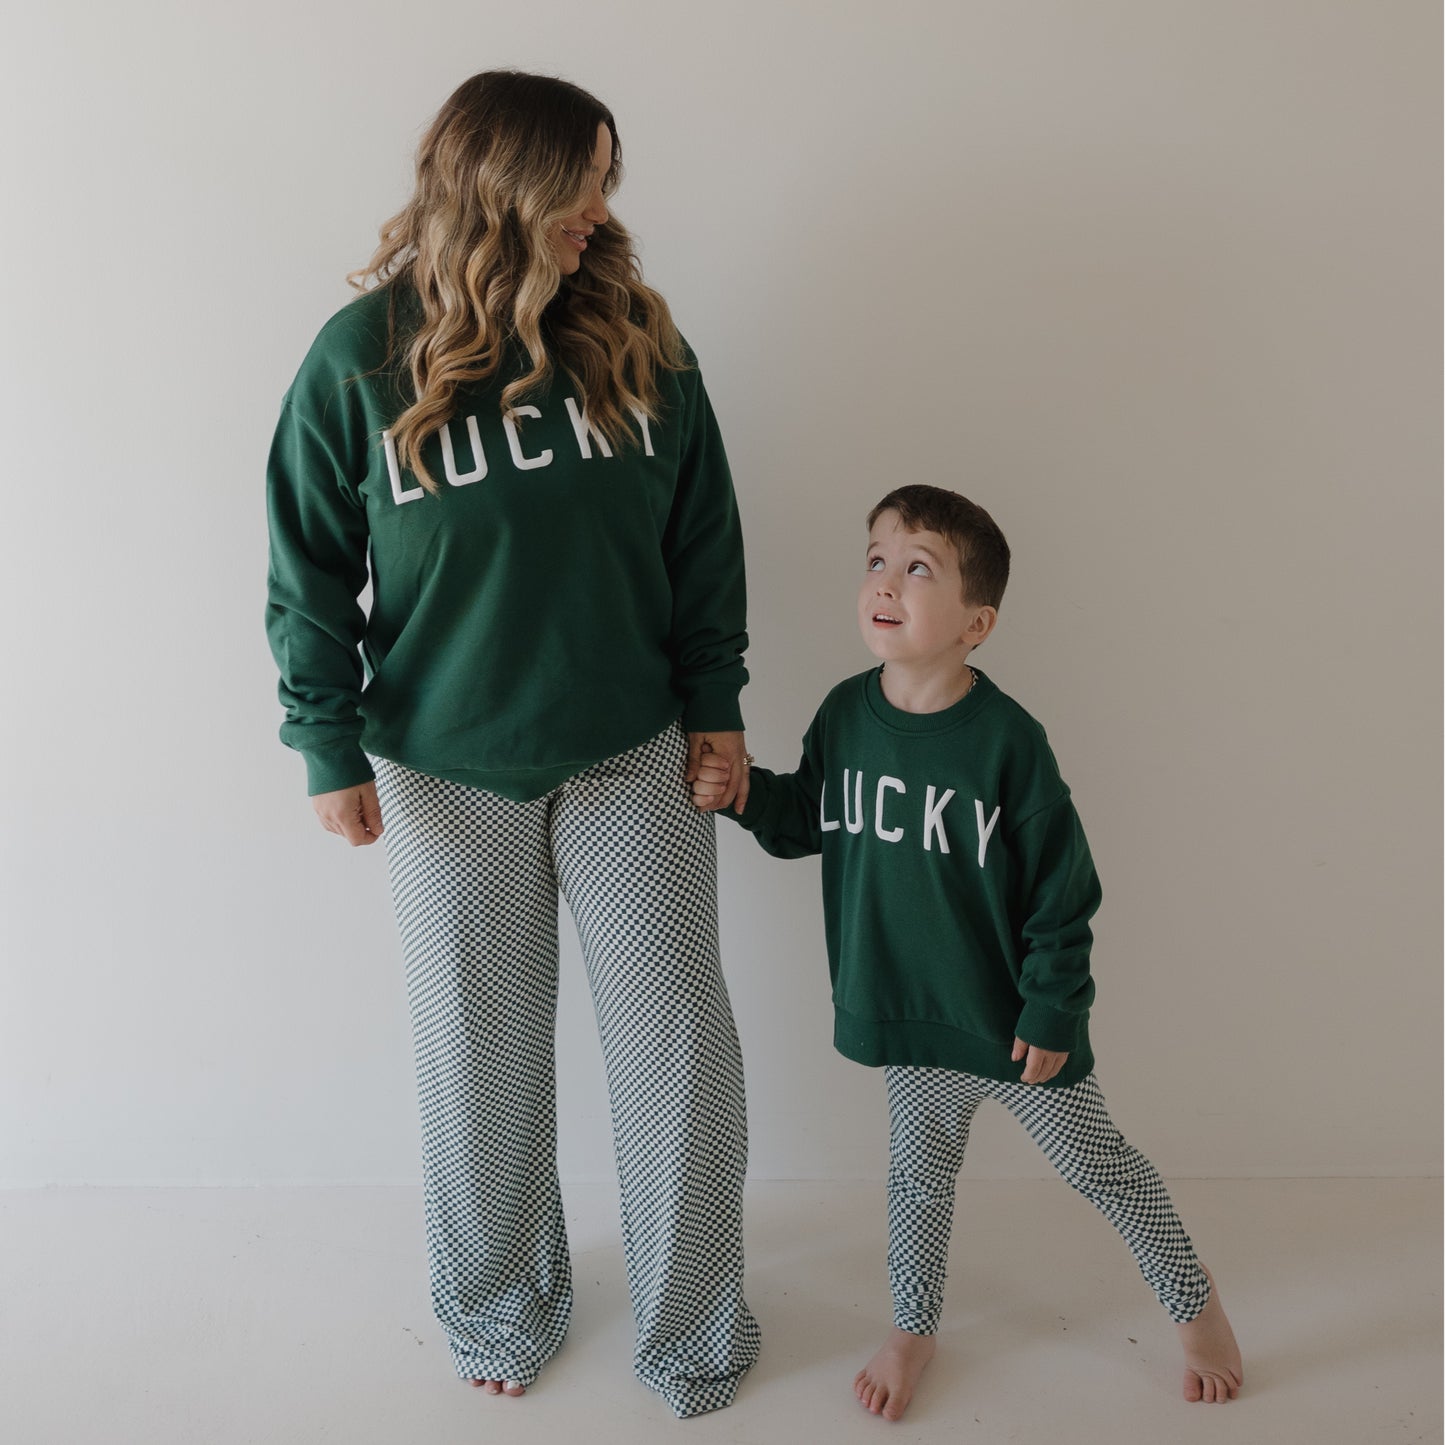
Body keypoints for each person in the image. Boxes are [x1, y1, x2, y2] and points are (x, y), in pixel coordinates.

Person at [264, 70, 759, 1418]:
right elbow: (307, 568)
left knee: (678, 1047)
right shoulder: (358, 359)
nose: (601, 211)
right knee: (477, 1052)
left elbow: (701, 538)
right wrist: (328, 747)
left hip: (628, 749)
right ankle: (497, 1303)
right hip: (441, 765)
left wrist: (716, 707)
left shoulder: (641, 340)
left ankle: (696, 1326)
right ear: (501, 186)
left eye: (608, 179)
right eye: (579, 182)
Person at [690, 484, 1243, 1420]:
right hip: (910, 1015)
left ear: (975, 621)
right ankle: (913, 1324)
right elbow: (804, 821)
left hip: (1011, 1024)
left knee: (1099, 1166)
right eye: (875, 559)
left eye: (918, 568)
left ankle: (1195, 1304)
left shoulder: (1006, 744)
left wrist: (1052, 1007)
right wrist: (744, 793)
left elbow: (1064, 892)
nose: (886, 581)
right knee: (915, 1179)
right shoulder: (843, 714)